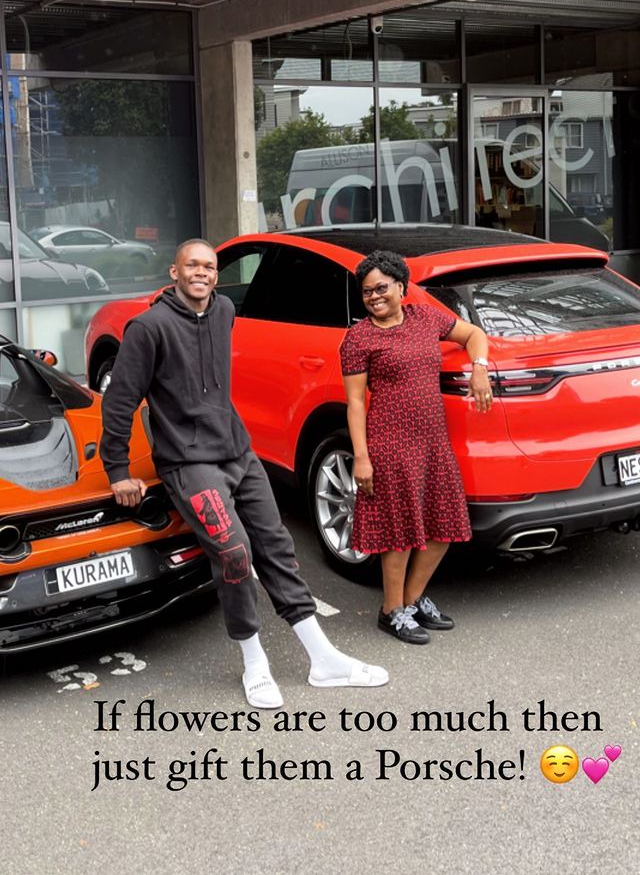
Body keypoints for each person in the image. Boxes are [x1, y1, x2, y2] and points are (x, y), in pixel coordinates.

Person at [99, 238, 388, 707]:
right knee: (234, 553)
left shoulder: (224, 311)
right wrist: (117, 469)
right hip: (189, 463)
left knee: (276, 545)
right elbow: (120, 399)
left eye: (209, 267)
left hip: (238, 452)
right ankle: (255, 664)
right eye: (191, 265)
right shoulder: (148, 328)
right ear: (174, 272)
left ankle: (324, 659)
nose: (202, 273)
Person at [340, 249, 492, 645]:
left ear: (401, 287)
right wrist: (361, 457)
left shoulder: (426, 317)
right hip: (389, 442)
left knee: (443, 524)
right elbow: (355, 402)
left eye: (381, 288)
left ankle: (411, 601)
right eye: (367, 291)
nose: (374, 297)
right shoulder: (359, 338)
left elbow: (474, 334)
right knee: (399, 531)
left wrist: (480, 369)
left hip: (432, 441)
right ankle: (391, 611)